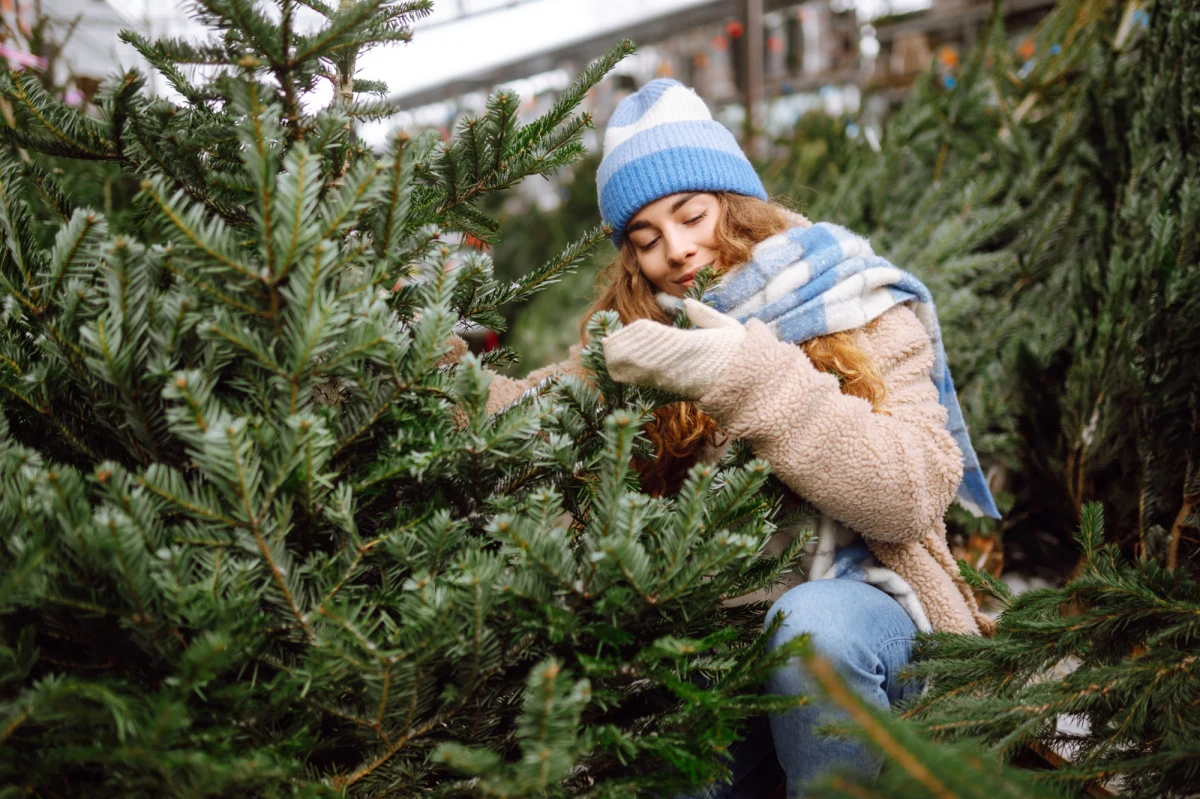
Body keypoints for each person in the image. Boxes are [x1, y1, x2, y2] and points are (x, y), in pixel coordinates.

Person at [470, 78, 999, 797]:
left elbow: (909, 495)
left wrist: (743, 375)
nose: (678, 252)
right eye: (646, 239)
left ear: (734, 200)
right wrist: (422, 369)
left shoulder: (855, 300)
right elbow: (533, 414)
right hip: (723, 655)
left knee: (811, 630)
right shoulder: (644, 343)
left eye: (692, 215)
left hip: (869, 628)